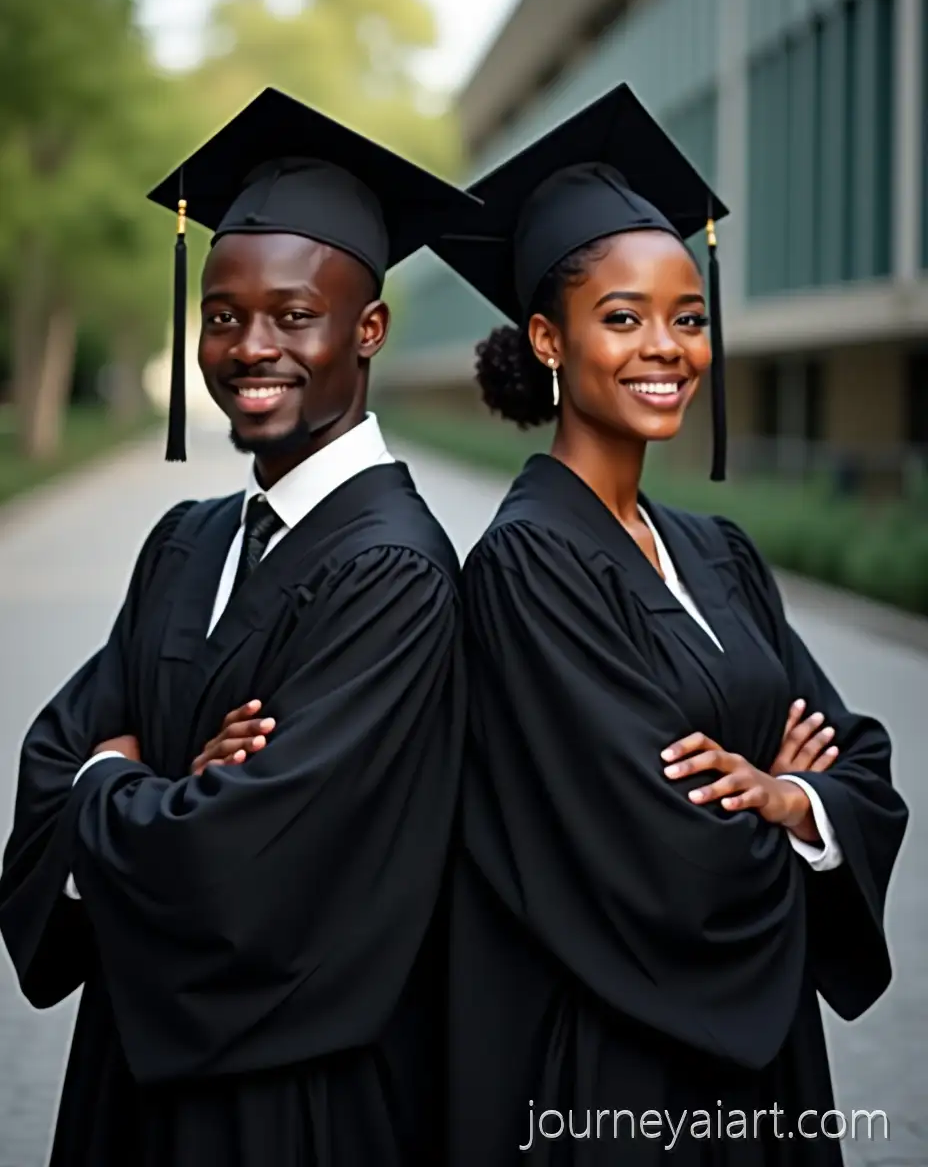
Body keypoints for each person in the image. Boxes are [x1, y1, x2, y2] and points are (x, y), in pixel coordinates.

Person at [430, 83, 909, 1164]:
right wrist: (773, 798)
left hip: (763, 1056)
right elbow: (646, 846)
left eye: (688, 318)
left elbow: (858, 762)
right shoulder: (525, 566)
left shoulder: (714, 549)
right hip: (615, 1066)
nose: (667, 346)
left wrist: (791, 798)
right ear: (548, 338)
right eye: (623, 317)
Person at [0, 87, 479, 1167]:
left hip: (297, 1101)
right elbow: (47, 759)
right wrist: (159, 792)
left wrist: (110, 785)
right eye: (223, 316)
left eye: (293, 315)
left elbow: (255, 858)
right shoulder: (188, 539)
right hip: (128, 1075)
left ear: (368, 330)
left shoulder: (396, 573)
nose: (249, 346)